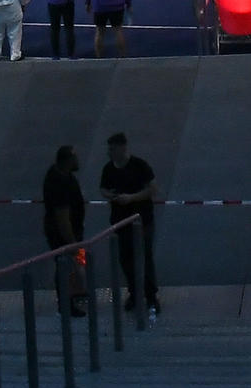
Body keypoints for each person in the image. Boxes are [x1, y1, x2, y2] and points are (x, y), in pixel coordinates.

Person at [101, 131, 162, 319]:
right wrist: (110, 196)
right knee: (126, 258)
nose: (109, 152)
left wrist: (131, 198)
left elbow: (153, 189)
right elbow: (102, 188)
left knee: (144, 257)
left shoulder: (139, 165)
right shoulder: (109, 169)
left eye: (112, 149)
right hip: (121, 221)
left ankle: (150, 295)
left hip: (142, 219)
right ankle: (135, 293)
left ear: (122, 148)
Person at [39, 145, 93, 312]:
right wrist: (72, 242)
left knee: (71, 264)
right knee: (66, 265)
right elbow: (62, 218)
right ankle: (66, 302)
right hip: (64, 235)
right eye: (74, 158)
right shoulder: (59, 183)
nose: (78, 161)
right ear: (68, 161)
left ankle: (73, 294)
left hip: (70, 230)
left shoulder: (61, 175)